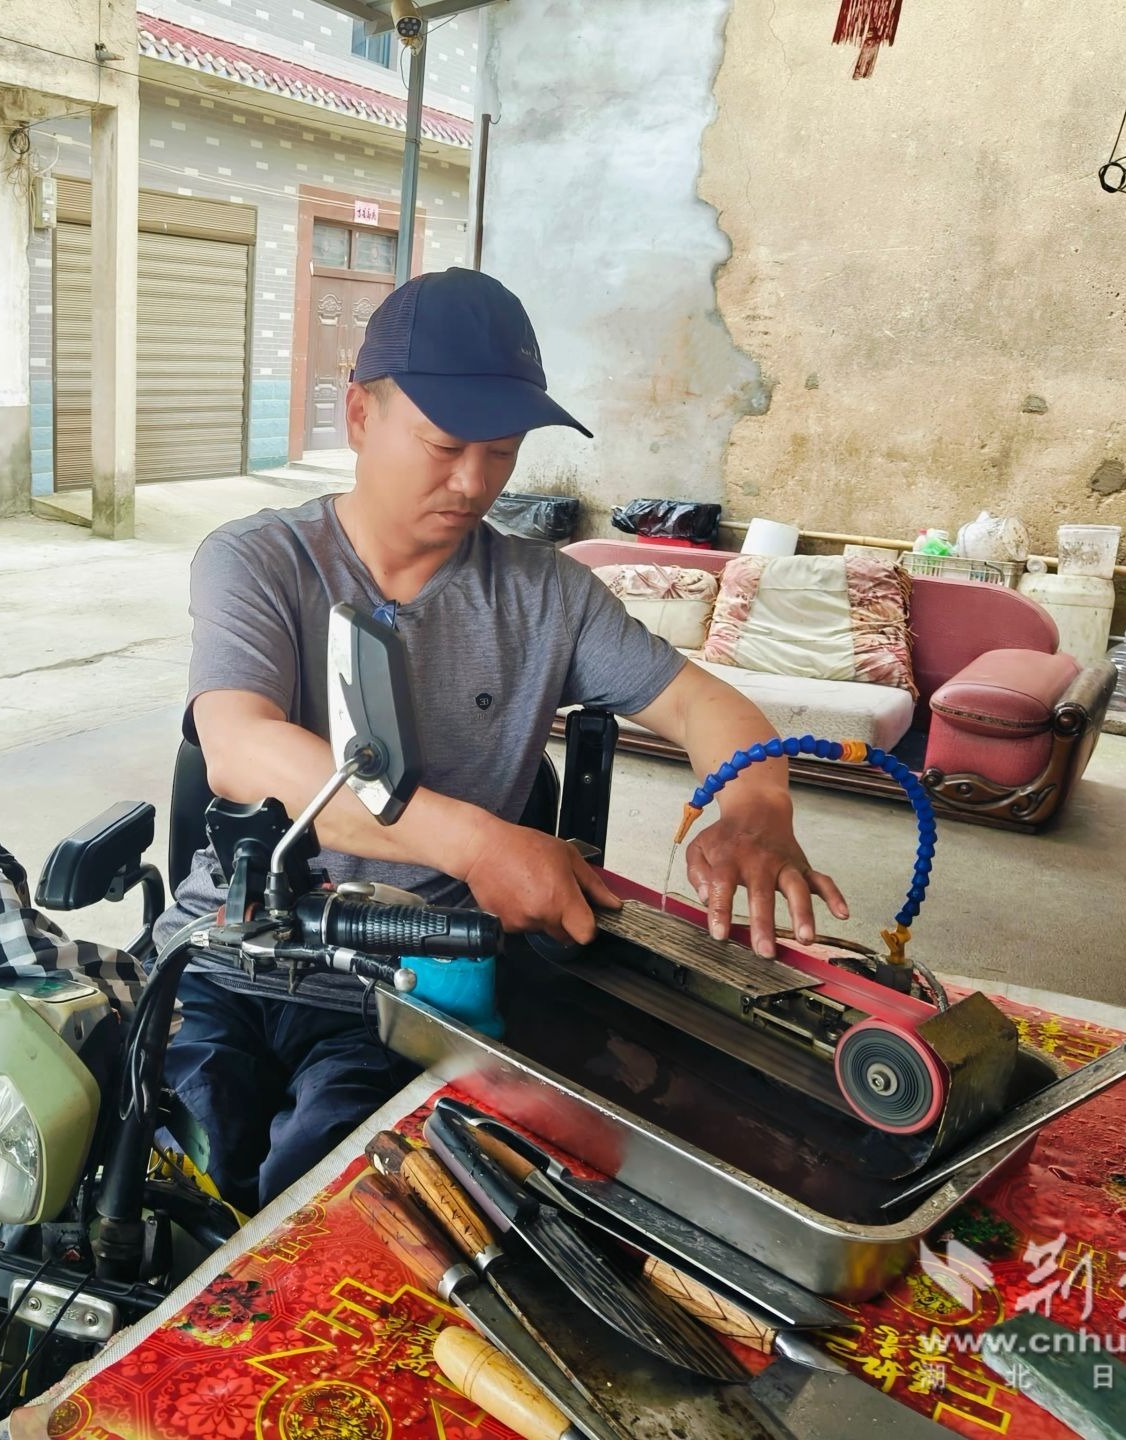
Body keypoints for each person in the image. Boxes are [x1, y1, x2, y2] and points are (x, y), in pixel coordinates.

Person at [154, 267, 847, 1214]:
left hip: (413, 983)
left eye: (503, 451)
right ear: (358, 416)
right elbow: (240, 745)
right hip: (228, 954)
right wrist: (479, 844)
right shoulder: (261, 561)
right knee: (164, 1171)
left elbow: (704, 708)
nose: (475, 482)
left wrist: (755, 808)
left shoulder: (546, 596)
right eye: (444, 446)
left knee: (336, 1203)